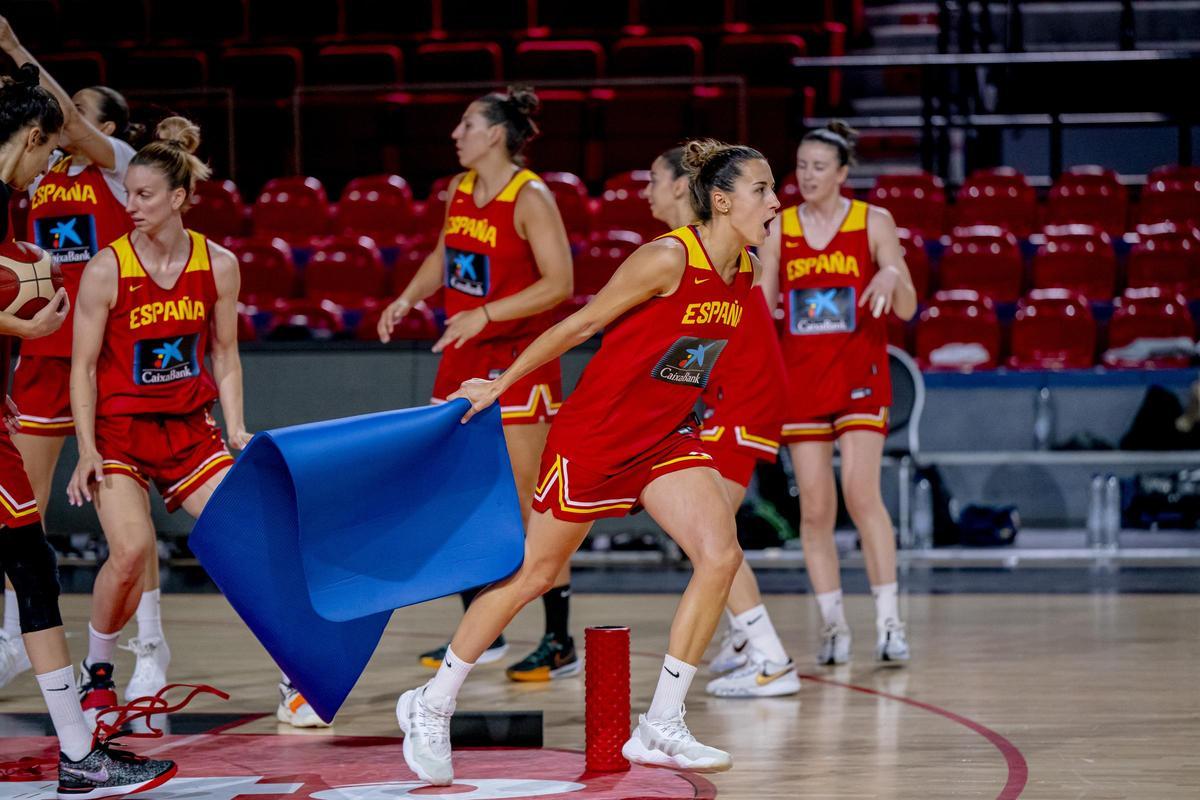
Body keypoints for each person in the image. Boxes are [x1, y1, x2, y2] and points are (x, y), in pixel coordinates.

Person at [394, 140, 779, 786]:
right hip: (597, 438)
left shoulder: (744, 272)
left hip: (664, 441)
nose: (775, 202)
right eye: (763, 189)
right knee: (535, 573)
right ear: (720, 200)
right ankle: (431, 705)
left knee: (720, 556)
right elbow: (577, 327)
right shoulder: (665, 258)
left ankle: (662, 724)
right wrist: (501, 382)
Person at [64, 116, 323, 729]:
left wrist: (235, 427)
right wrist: (85, 449)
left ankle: (294, 678)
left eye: (144, 194)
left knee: (251, 545)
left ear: (179, 198)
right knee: (131, 550)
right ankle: (97, 675)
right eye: (127, 192)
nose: (131, 205)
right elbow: (82, 370)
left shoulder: (220, 264)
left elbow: (225, 355)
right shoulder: (106, 268)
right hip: (121, 432)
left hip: (190, 430)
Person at [0, 63, 176, 799]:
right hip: (31, 381)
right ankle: (79, 751)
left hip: (91, 372)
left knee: (30, 557)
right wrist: (12, 321)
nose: (50, 169)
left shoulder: (27, 199)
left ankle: (82, 745)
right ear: (33, 138)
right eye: (47, 151)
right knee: (30, 558)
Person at [377, 86, 577, 682]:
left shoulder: (530, 196)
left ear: (495, 134)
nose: (455, 134)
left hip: (519, 359)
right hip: (463, 356)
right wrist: (409, 296)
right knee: (460, 496)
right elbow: (446, 252)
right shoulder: (459, 190)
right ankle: (481, 634)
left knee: (528, 501)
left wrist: (486, 313)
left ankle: (560, 640)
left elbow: (560, 284)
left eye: (466, 125)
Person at [0, 14, 143, 692]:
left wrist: (15, 49)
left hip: (104, 360)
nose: (65, 122)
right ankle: (14, 638)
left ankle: (146, 650)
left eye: (78, 113)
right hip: (38, 355)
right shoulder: (29, 176)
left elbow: (67, 120)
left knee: (130, 529)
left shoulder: (114, 170)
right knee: (16, 510)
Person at [758, 122, 918, 665]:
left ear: (843, 173)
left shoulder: (873, 221)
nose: (807, 175)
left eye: (819, 167)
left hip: (859, 377)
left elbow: (909, 308)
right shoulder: (780, 228)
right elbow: (763, 306)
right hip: (801, 381)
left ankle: (891, 622)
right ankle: (832, 627)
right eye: (801, 166)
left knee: (860, 493)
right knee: (815, 509)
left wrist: (892, 273)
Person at [642, 147, 799, 698]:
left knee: (710, 540)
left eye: (654, 180)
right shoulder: (688, 245)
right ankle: (744, 643)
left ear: (683, 189)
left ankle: (771, 658)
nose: (647, 192)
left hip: (746, 394)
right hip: (727, 395)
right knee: (714, 539)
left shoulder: (702, 242)